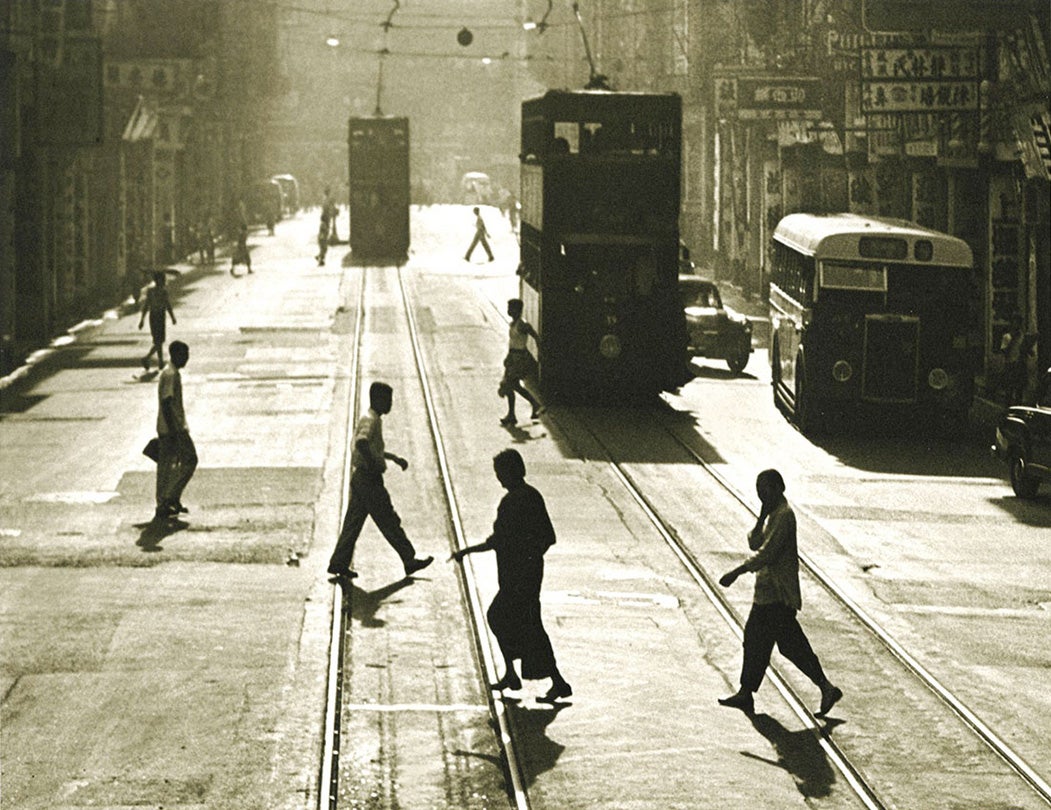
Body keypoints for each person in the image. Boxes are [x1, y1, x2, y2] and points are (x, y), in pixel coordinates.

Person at [718, 469, 842, 717]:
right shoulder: (773, 514)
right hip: (768, 593)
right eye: (758, 492)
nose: (762, 495)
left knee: (763, 639)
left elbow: (767, 553)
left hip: (777, 595)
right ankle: (825, 687)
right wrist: (760, 517)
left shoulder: (785, 516)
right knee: (782, 643)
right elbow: (754, 542)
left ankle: (747, 692)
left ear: (778, 488)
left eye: (765, 490)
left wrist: (737, 571)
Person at [451, 449, 572, 701]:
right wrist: (532, 558)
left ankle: (530, 677)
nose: (499, 478)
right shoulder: (532, 496)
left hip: (517, 579)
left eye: (500, 473)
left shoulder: (512, 502)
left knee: (504, 619)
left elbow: (498, 540)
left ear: (510, 472)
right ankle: (530, 677)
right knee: (528, 625)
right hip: (527, 576)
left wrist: (468, 551)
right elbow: (548, 537)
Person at [328, 382, 434, 580]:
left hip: (362, 478)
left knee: (353, 522)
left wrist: (393, 458)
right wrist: (373, 464)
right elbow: (362, 442)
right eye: (388, 399)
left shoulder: (374, 418)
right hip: (369, 480)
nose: (391, 404)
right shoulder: (371, 420)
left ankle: (338, 563)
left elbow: (372, 448)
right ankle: (409, 559)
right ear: (377, 399)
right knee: (389, 520)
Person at [154, 340, 197, 522]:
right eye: (184, 354)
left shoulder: (170, 372)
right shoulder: (170, 374)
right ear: (176, 354)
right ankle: (168, 498)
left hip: (171, 427)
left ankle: (168, 500)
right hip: (173, 428)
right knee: (189, 460)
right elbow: (166, 402)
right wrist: (174, 431)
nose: (187, 358)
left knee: (169, 465)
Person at [499, 298, 544, 426]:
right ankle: (514, 413)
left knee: (511, 385)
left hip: (519, 358)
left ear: (517, 310)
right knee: (512, 385)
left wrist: (539, 352)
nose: (508, 310)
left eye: (510, 308)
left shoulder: (522, 325)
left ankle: (533, 405)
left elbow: (535, 336)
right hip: (512, 357)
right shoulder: (513, 323)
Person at [138, 271, 176, 372]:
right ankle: (147, 358)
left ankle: (160, 362)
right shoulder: (160, 292)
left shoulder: (153, 291)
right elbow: (166, 305)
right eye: (162, 279)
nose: (163, 281)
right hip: (157, 316)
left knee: (159, 341)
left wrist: (142, 320)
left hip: (156, 316)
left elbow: (147, 306)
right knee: (158, 341)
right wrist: (172, 317)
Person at [999, 316, 1035, 406]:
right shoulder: (1007, 337)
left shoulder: (1023, 336)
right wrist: (1012, 341)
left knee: (1019, 389)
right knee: (1009, 390)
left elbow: (1031, 353)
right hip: (1010, 364)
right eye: (1015, 323)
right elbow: (1004, 351)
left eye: (1019, 323)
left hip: (1020, 364)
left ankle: (1018, 407)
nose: (1017, 325)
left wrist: (1028, 347)